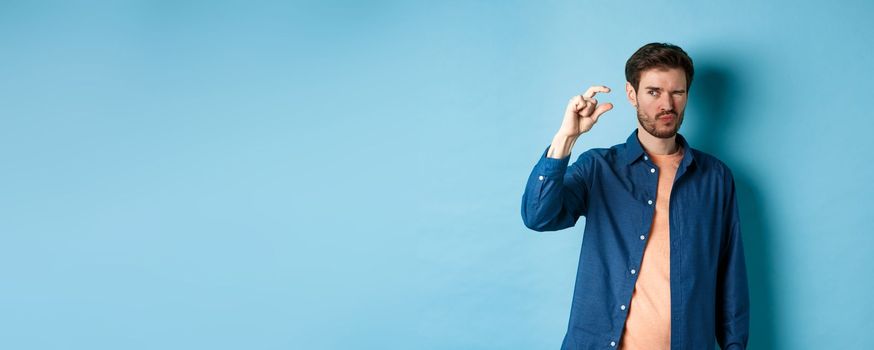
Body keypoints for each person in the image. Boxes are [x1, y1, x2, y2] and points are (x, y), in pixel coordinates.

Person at [521, 43, 749, 350]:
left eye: (677, 93)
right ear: (632, 94)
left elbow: (730, 276)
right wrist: (566, 138)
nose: (667, 104)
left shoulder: (715, 178)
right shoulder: (598, 168)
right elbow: (538, 216)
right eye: (654, 92)